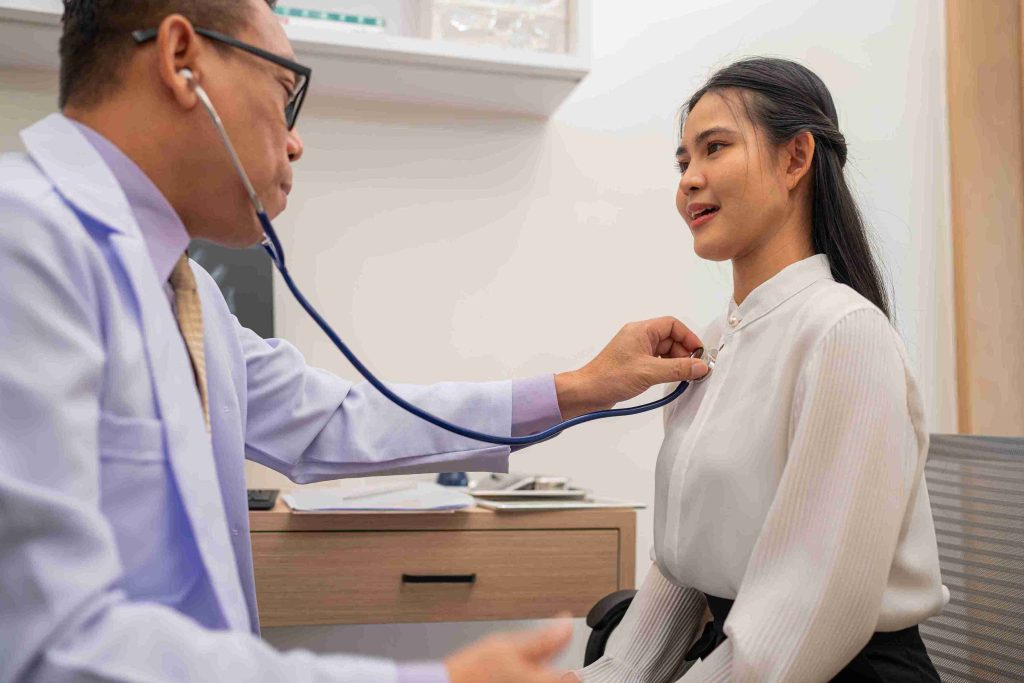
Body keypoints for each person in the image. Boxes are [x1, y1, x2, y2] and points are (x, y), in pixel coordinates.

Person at [0, 2, 712, 682]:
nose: (295, 137)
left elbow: (341, 420)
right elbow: (46, 643)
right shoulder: (21, 243)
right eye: (285, 90)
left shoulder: (193, 300)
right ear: (182, 60)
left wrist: (581, 385)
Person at [570, 58, 948, 682]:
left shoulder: (844, 334)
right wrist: (606, 676)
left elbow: (808, 612)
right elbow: (686, 565)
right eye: (683, 162)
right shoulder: (715, 342)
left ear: (796, 158)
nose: (690, 179)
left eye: (714, 148)